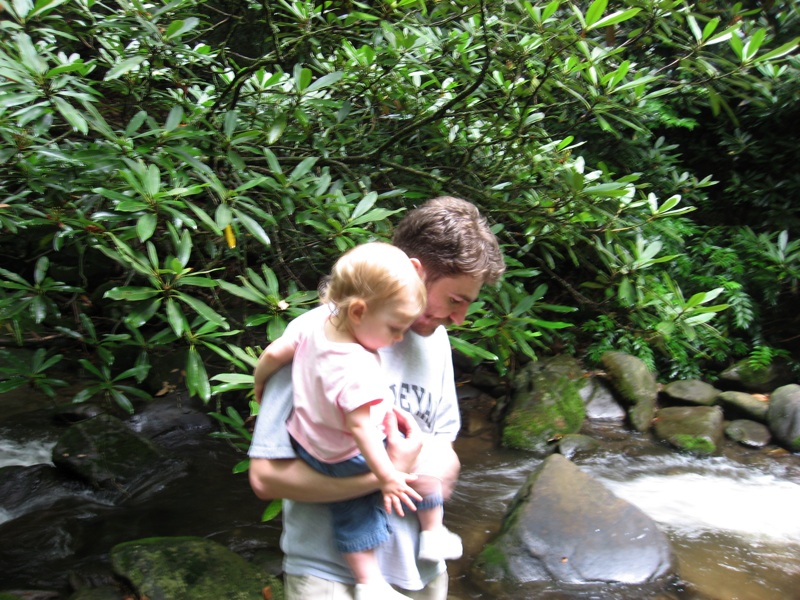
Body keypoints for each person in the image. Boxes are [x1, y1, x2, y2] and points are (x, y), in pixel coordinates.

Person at [249, 196, 505, 600]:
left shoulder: (435, 342)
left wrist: (434, 466)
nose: (459, 318)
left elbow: (442, 451)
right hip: (331, 578)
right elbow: (265, 479)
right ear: (416, 272)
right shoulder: (319, 337)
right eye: (455, 300)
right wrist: (383, 475)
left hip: (420, 574)